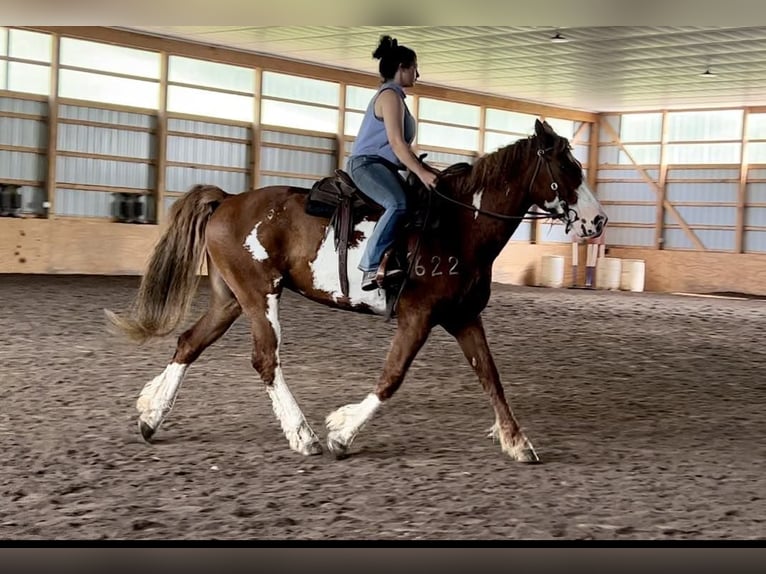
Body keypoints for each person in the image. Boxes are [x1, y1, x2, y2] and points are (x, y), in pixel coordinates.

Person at [347, 35, 439, 291]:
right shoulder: (389, 96)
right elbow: (397, 144)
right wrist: (420, 172)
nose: (417, 74)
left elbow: (401, 149)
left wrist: (426, 169)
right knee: (398, 204)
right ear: (402, 68)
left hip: (383, 166)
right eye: (414, 68)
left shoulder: (396, 98)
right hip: (366, 165)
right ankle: (370, 267)